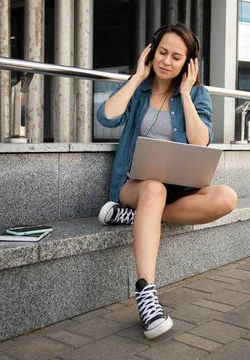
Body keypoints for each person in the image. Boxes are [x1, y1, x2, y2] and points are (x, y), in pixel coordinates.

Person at [96, 23, 238, 339]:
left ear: (187, 63)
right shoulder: (141, 90)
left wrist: (186, 95)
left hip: (176, 189)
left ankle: (137, 219)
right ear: (151, 52)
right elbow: (106, 117)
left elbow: (201, 142)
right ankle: (146, 292)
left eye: (176, 57)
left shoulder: (198, 94)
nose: (166, 61)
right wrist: (136, 78)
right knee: (153, 188)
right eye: (162, 52)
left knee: (227, 197)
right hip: (135, 185)